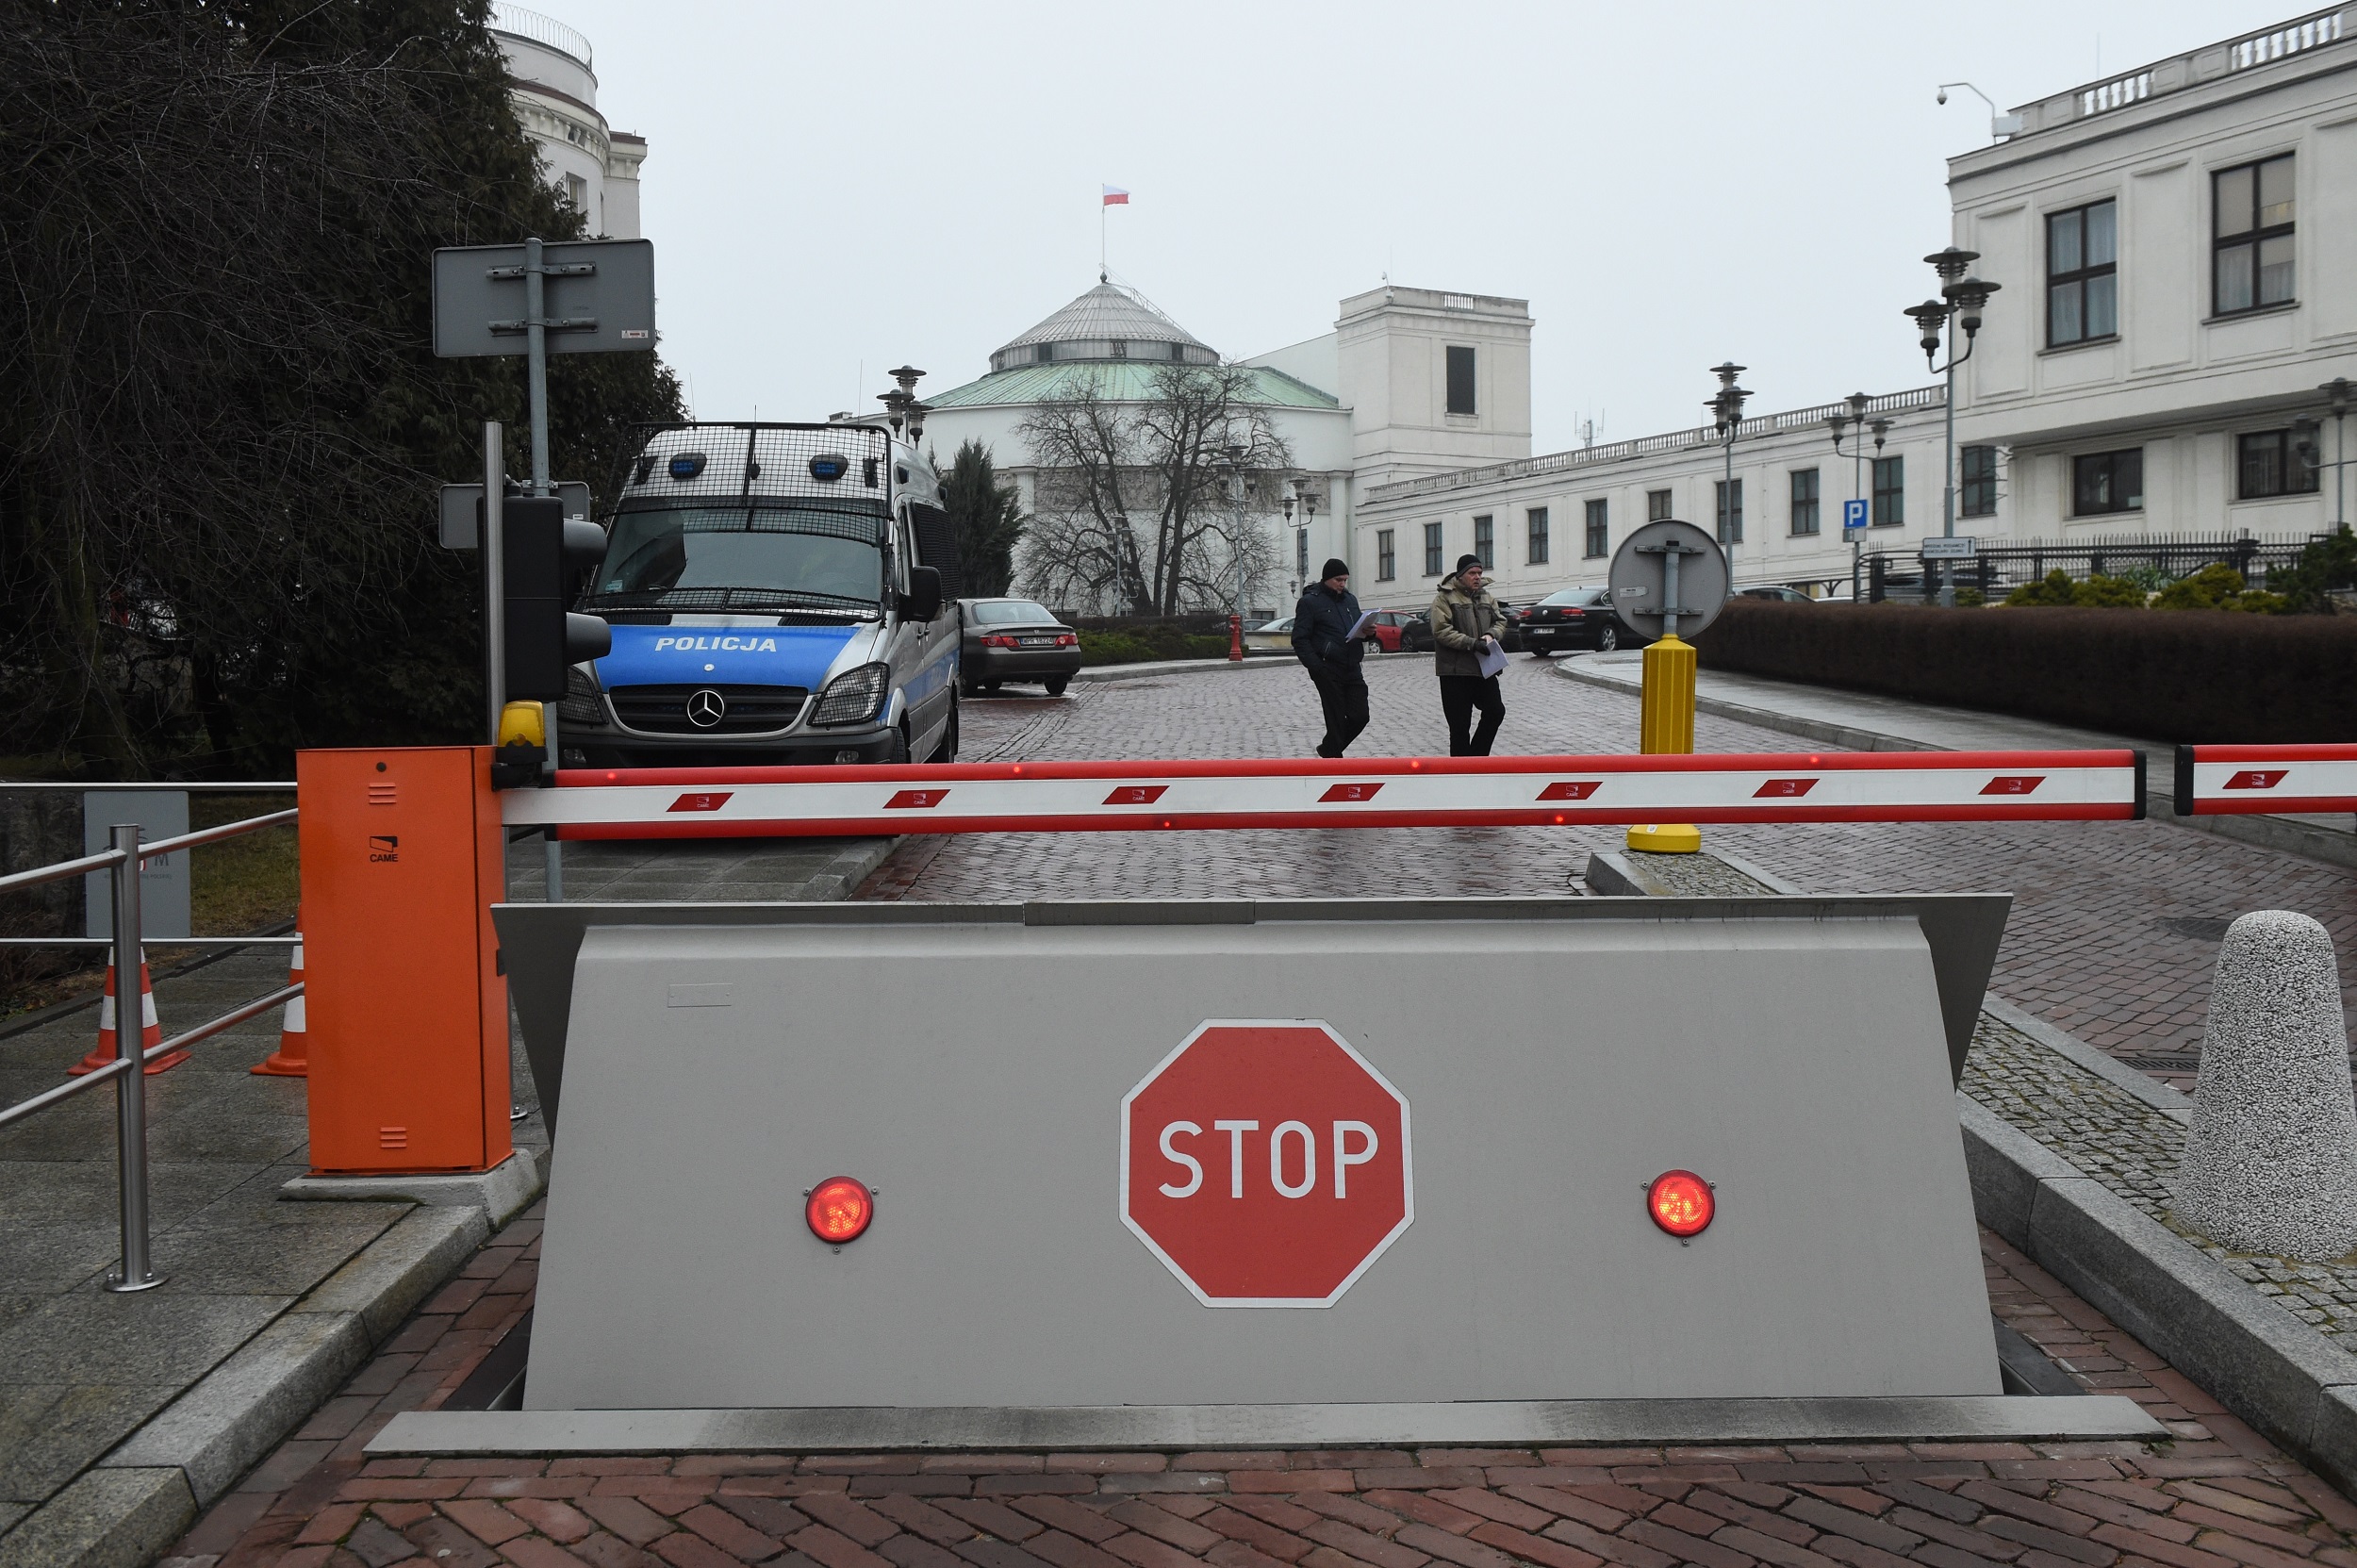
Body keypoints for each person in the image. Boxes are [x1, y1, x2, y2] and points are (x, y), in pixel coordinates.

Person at [1291, 558, 1375, 758]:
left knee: (1360, 716)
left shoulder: (1350, 600)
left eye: (1345, 580)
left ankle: (1329, 749)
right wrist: (1317, 667)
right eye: (1338, 579)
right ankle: (1334, 763)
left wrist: (1369, 632)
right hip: (1328, 669)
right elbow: (1300, 639)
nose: (1342, 584)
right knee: (1335, 719)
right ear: (1327, 579)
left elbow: (1357, 627)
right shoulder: (1310, 602)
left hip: (1352, 666)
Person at [1428, 553, 1508, 756]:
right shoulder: (1444, 598)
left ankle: (1477, 759)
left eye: (1480, 573)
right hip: (1455, 673)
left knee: (1495, 711)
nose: (1477, 577)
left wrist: (1491, 634)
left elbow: (1500, 621)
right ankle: (1460, 773)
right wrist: (1472, 644)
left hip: (1483, 670)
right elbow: (1441, 631)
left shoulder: (1486, 596)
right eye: (1472, 573)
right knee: (1459, 729)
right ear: (1461, 575)